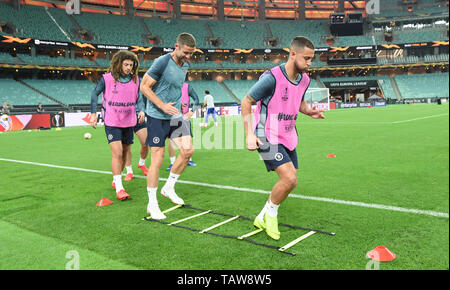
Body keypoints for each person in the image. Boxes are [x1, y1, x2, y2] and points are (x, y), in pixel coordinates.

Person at [241, 36, 325, 240]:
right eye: (306, 58)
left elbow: (299, 103)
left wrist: (309, 112)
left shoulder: (305, 79)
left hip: (288, 135)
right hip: (265, 134)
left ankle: (262, 216)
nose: (309, 63)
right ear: (293, 54)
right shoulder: (271, 78)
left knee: (291, 182)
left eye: (311, 59)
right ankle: (271, 215)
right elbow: (246, 101)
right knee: (289, 177)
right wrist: (249, 134)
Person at [140, 33, 196, 219]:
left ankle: (169, 187)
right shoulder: (161, 62)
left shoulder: (186, 65)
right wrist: (162, 105)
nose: (189, 56)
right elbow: (144, 86)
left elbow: (176, 87)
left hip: (175, 116)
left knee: (187, 151)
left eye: (191, 53)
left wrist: (179, 108)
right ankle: (152, 204)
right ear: (176, 46)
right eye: (186, 52)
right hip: (157, 116)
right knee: (157, 159)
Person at [89, 50, 143, 201]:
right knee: (117, 152)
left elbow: (139, 98)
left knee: (125, 152)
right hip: (112, 121)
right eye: (126, 64)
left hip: (129, 120)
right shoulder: (106, 79)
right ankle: (119, 188)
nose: (128, 68)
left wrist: (142, 110)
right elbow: (94, 94)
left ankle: (116, 178)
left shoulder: (136, 80)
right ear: (119, 64)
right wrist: (93, 114)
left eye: (131, 65)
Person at [166, 82, 200, 170]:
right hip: (171, 117)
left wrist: (192, 111)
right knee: (171, 140)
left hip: (184, 117)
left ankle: (188, 159)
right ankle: (172, 162)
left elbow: (196, 99)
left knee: (188, 139)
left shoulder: (187, 86)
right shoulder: (167, 85)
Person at [122, 90, 150, 181]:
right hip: (124, 117)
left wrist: (142, 110)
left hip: (138, 116)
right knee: (126, 147)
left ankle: (141, 164)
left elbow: (141, 99)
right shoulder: (118, 82)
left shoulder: (138, 81)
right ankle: (129, 171)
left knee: (146, 143)